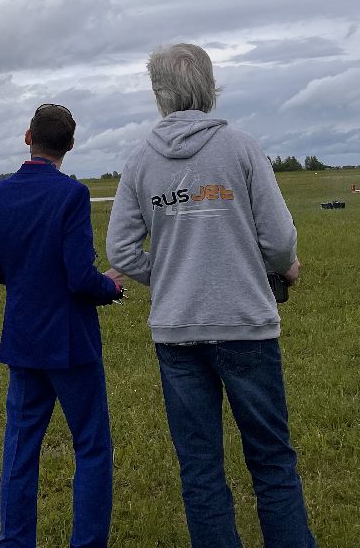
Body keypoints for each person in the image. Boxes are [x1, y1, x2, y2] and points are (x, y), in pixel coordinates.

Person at [106, 44, 316, 548]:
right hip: (246, 324)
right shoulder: (241, 148)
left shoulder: (139, 161)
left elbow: (120, 249)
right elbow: (279, 238)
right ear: (210, 86)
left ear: (158, 94)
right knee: (270, 459)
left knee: (200, 468)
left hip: (176, 335)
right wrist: (282, 268)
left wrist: (170, 276)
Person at [0, 102, 125, 548]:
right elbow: (80, 278)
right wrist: (112, 286)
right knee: (92, 447)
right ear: (71, 145)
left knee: (21, 449)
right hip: (71, 343)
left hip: (23, 341)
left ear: (28, 138)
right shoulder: (71, 195)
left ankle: (16, 541)